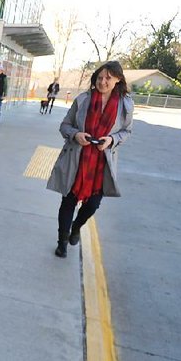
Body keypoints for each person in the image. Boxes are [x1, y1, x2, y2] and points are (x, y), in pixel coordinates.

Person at [47, 61, 133, 258]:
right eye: (99, 78)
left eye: (108, 78)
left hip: (102, 164)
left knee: (92, 205)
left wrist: (111, 139)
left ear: (118, 79)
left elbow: (126, 131)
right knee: (68, 201)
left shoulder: (125, 104)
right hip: (76, 159)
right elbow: (65, 125)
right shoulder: (83, 99)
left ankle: (76, 227)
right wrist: (76, 135)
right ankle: (62, 242)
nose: (102, 82)